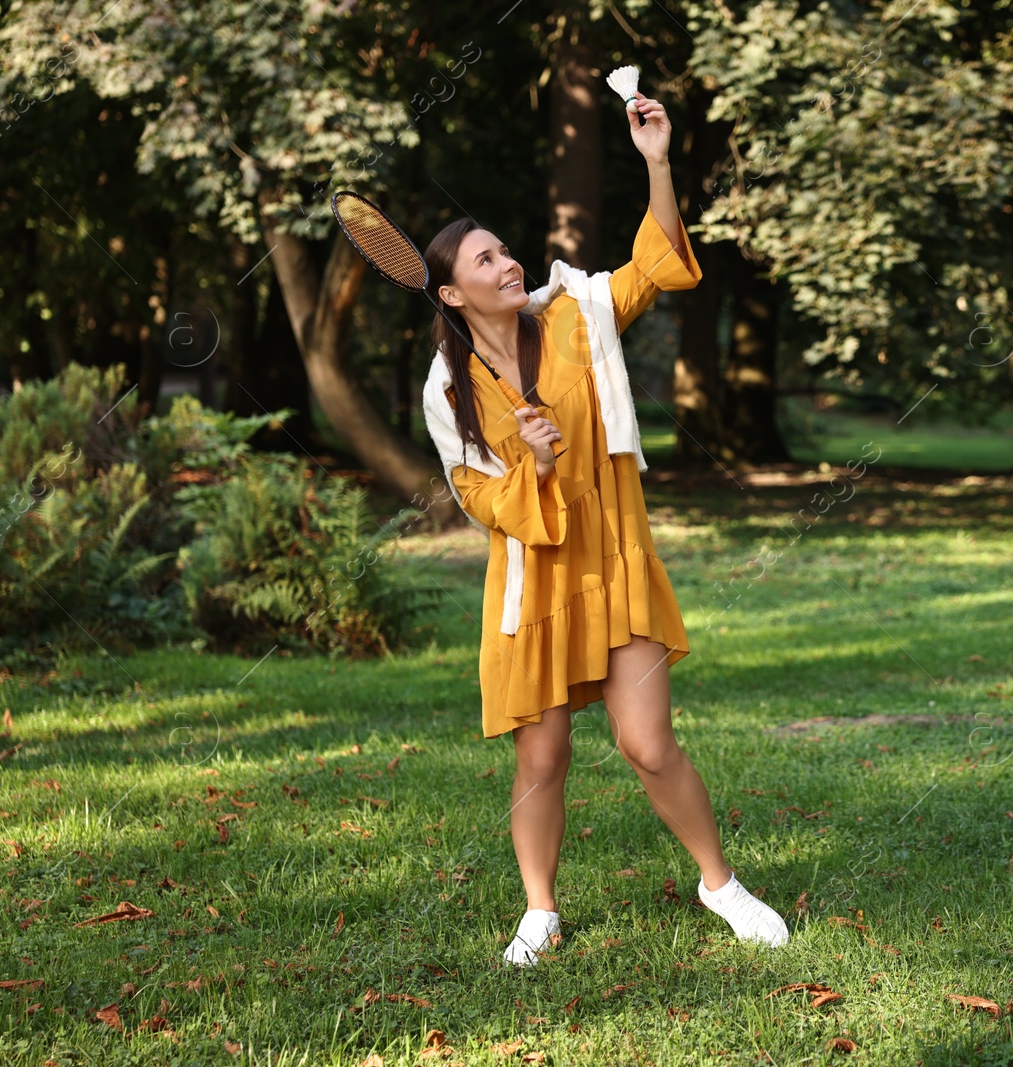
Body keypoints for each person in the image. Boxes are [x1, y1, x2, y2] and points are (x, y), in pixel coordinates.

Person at [420, 86, 789, 967]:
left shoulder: (577, 315)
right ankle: (540, 912)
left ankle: (721, 886)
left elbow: (656, 265)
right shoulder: (448, 393)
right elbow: (483, 505)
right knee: (541, 761)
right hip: (532, 586)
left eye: (505, 249)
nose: (509, 262)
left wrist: (658, 161)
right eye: (486, 259)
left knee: (647, 742)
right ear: (450, 291)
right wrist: (537, 464)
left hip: (613, 561)